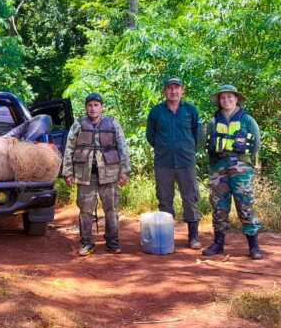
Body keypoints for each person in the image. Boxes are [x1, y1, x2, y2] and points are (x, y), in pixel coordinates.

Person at [62, 93, 131, 256]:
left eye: (96, 105)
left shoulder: (113, 124)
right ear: (86, 107)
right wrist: (68, 172)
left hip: (110, 174)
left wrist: (125, 171)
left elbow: (123, 148)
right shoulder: (78, 124)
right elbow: (69, 149)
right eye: (90, 105)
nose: (93, 108)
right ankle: (87, 243)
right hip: (85, 176)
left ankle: (112, 242)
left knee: (112, 210)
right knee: (85, 211)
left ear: (102, 107)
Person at [202, 84, 264, 260]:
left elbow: (256, 145)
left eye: (230, 97)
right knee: (219, 206)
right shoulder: (213, 121)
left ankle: (254, 246)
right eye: (222, 97)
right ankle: (218, 244)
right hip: (218, 168)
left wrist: (246, 159)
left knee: (245, 204)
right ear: (219, 101)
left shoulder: (247, 120)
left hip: (241, 168)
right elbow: (205, 145)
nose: (226, 100)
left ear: (236, 99)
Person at [145, 77, 203, 250]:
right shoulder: (156, 112)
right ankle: (166, 236)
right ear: (165, 91)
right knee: (164, 199)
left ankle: (193, 237)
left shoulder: (190, 111)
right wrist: (164, 147)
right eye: (170, 88)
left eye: (176, 88)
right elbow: (151, 136)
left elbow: (198, 135)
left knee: (190, 198)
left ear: (182, 90)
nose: (173, 91)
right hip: (163, 162)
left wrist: (187, 148)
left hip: (186, 161)